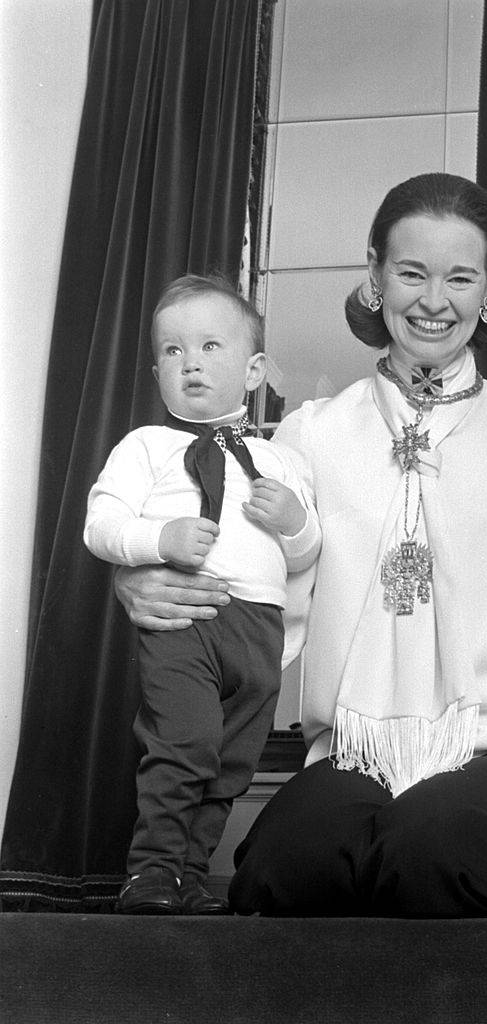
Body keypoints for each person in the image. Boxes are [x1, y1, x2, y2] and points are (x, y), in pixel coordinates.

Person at [112, 174, 487, 917]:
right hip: (351, 747)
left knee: (433, 855)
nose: (433, 300)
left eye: (460, 277)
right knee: (286, 869)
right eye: (410, 273)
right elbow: (248, 573)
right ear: (375, 275)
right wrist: (137, 579)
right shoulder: (309, 433)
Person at [84, 274, 322, 915]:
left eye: (210, 347)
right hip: (186, 619)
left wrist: (294, 522)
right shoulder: (146, 447)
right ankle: (151, 872)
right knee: (183, 743)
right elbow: (100, 525)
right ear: (157, 371)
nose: (189, 362)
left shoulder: (281, 462)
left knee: (231, 762)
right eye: (171, 351)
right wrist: (159, 537)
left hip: (258, 631)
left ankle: (190, 875)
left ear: (254, 371)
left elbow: (305, 557)